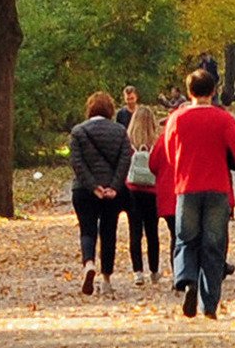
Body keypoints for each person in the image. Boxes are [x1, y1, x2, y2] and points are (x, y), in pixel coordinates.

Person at [156, 65, 235, 318]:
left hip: (187, 188)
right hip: (217, 189)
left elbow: (168, 151)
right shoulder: (223, 118)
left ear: (189, 92)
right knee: (214, 246)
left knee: (185, 239)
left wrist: (180, 169)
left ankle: (187, 280)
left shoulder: (177, 118)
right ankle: (208, 305)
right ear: (213, 91)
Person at [68, 90, 133, 292]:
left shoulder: (78, 132)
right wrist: (113, 186)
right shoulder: (120, 131)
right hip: (111, 193)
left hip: (84, 190)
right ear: (110, 110)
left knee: (87, 230)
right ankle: (106, 279)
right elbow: (125, 160)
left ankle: (89, 263)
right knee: (108, 231)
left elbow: (77, 163)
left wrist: (92, 185)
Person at [121, 89, 165, 284]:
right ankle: (154, 270)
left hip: (132, 189)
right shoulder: (156, 142)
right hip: (152, 190)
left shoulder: (128, 142)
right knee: (152, 231)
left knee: (134, 231)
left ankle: (137, 271)